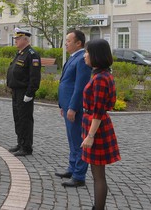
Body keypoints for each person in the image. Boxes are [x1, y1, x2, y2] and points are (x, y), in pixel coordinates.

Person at [81, 39, 121, 210]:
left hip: (96, 126)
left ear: (96, 55)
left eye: (87, 52)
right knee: (97, 174)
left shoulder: (100, 79)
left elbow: (98, 109)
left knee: (98, 176)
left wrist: (90, 135)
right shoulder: (101, 75)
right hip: (95, 124)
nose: (84, 55)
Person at [57, 30, 92, 187]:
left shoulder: (82, 59)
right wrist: (63, 105)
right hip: (67, 105)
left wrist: (72, 107)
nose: (66, 43)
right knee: (72, 140)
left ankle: (79, 175)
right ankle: (72, 168)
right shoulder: (74, 57)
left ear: (78, 43)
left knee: (78, 140)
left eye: (68, 40)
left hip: (75, 107)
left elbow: (79, 87)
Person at [6, 28, 41, 156]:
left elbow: (34, 77)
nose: (15, 41)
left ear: (25, 39)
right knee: (18, 119)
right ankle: (20, 142)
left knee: (25, 120)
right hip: (16, 92)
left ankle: (26, 147)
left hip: (24, 92)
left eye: (18, 39)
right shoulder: (20, 53)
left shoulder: (32, 54)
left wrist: (30, 93)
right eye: (15, 39)